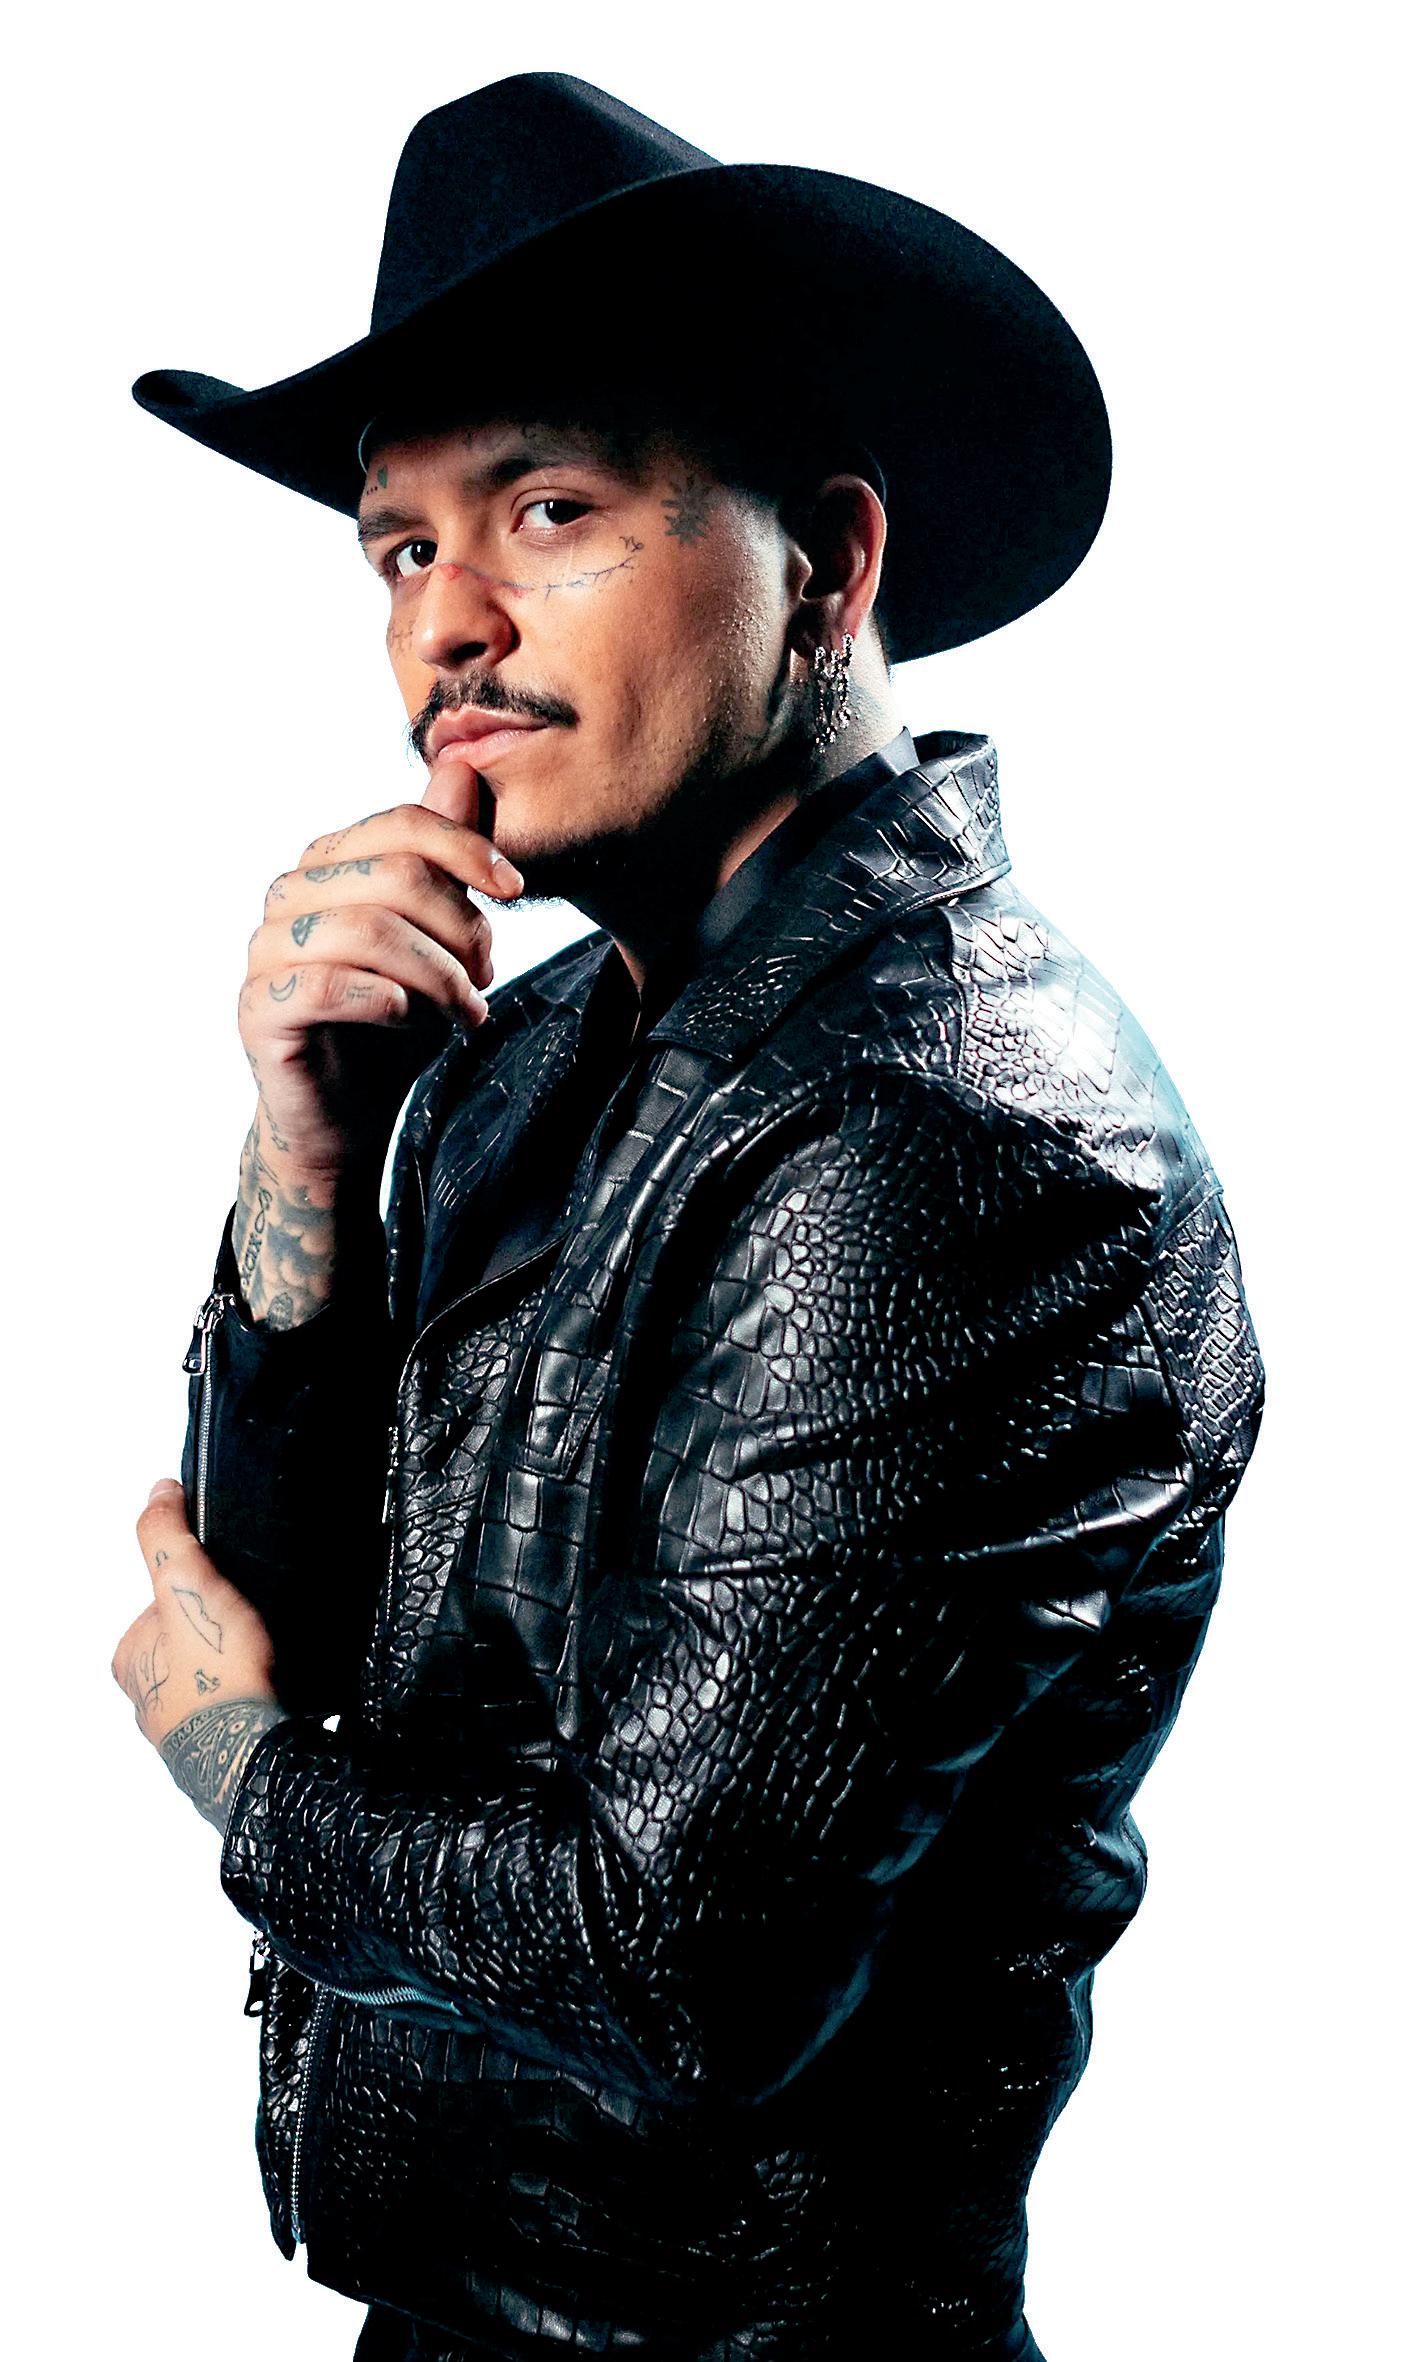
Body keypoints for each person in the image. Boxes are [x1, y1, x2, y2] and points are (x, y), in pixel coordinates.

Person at [110, 72, 1266, 2362]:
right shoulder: (517, 1051)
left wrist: (232, 1770)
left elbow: (670, 1964)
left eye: (547, 508)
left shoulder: (955, 1140)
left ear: (822, 567)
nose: (447, 625)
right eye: (397, 549)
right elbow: (307, 1619)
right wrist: (303, 1168)